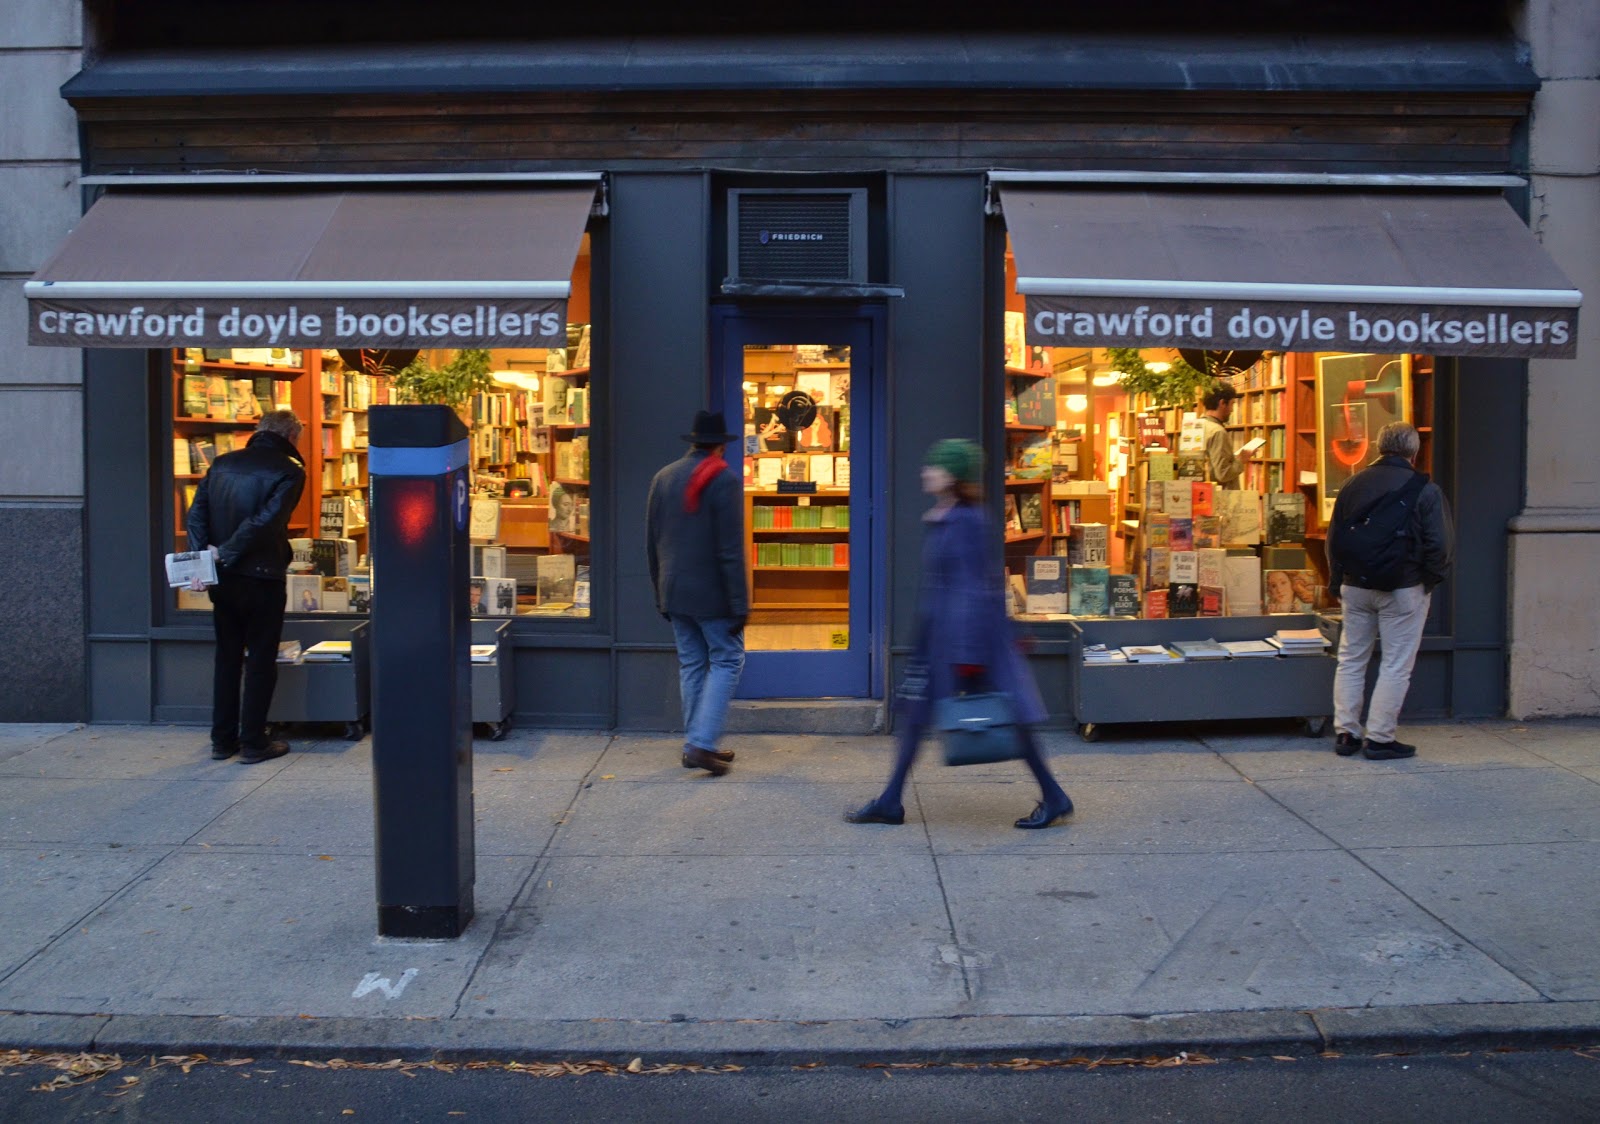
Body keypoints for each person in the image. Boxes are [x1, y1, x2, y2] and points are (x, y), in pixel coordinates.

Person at [846, 439, 1072, 829]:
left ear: (950, 476)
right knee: (919, 716)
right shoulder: (948, 515)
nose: (925, 472)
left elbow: (973, 585)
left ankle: (1054, 795)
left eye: (933, 467)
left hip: (964, 642)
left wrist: (967, 656)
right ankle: (890, 800)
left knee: (1009, 716)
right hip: (943, 637)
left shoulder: (965, 520)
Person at [1326, 422, 1454, 761]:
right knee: (1396, 664)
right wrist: (1428, 580)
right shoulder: (1425, 490)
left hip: (1355, 585)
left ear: (1378, 447)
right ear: (1414, 452)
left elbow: (1334, 540)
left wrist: (1337, 580)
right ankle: (1380, 738)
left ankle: (1346, 733)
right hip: (1403, 587)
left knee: (1351, 658)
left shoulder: (1352, 484)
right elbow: (1439, 545)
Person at [185, 409, 307, 764]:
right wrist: (227, 553)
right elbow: (267, 522)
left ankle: (222, 741)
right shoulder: (289, 470)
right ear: (291, 436)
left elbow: (196, 514)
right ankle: (253, 741)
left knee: (227, 657)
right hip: (262, 575)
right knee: (260, 660)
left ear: (260, 430)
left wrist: (204, 559)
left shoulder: (221, 463)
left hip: (224, 578)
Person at [646, 409, 749, 776]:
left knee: (692, 663)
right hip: (712, 593)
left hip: (674, 590)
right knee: (727, 659)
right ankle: (703, 744)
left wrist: (660, 592)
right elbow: (730, 549)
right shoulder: (724, 480)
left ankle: (696, 742)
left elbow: (652, 541)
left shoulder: (663, 477)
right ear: (720, 445)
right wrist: (740, 603)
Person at [1197, 383, 1253, 489]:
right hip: (1220, 498)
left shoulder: (1196, 426)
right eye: (1232, 404)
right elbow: (1223, 474)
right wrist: (1241, 461)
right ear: (1222, 403)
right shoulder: (1218, 432)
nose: (1232, 410)